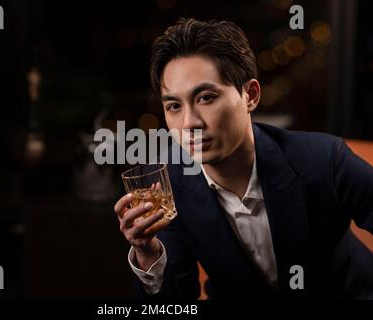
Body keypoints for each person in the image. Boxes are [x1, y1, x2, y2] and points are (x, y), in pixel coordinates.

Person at [113, 18, 373, 299]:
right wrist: (147, 253)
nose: (189, 123)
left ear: (250, 95)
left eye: (206, 97)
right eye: (174, 106)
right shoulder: (167, 185)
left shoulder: (323, 160)